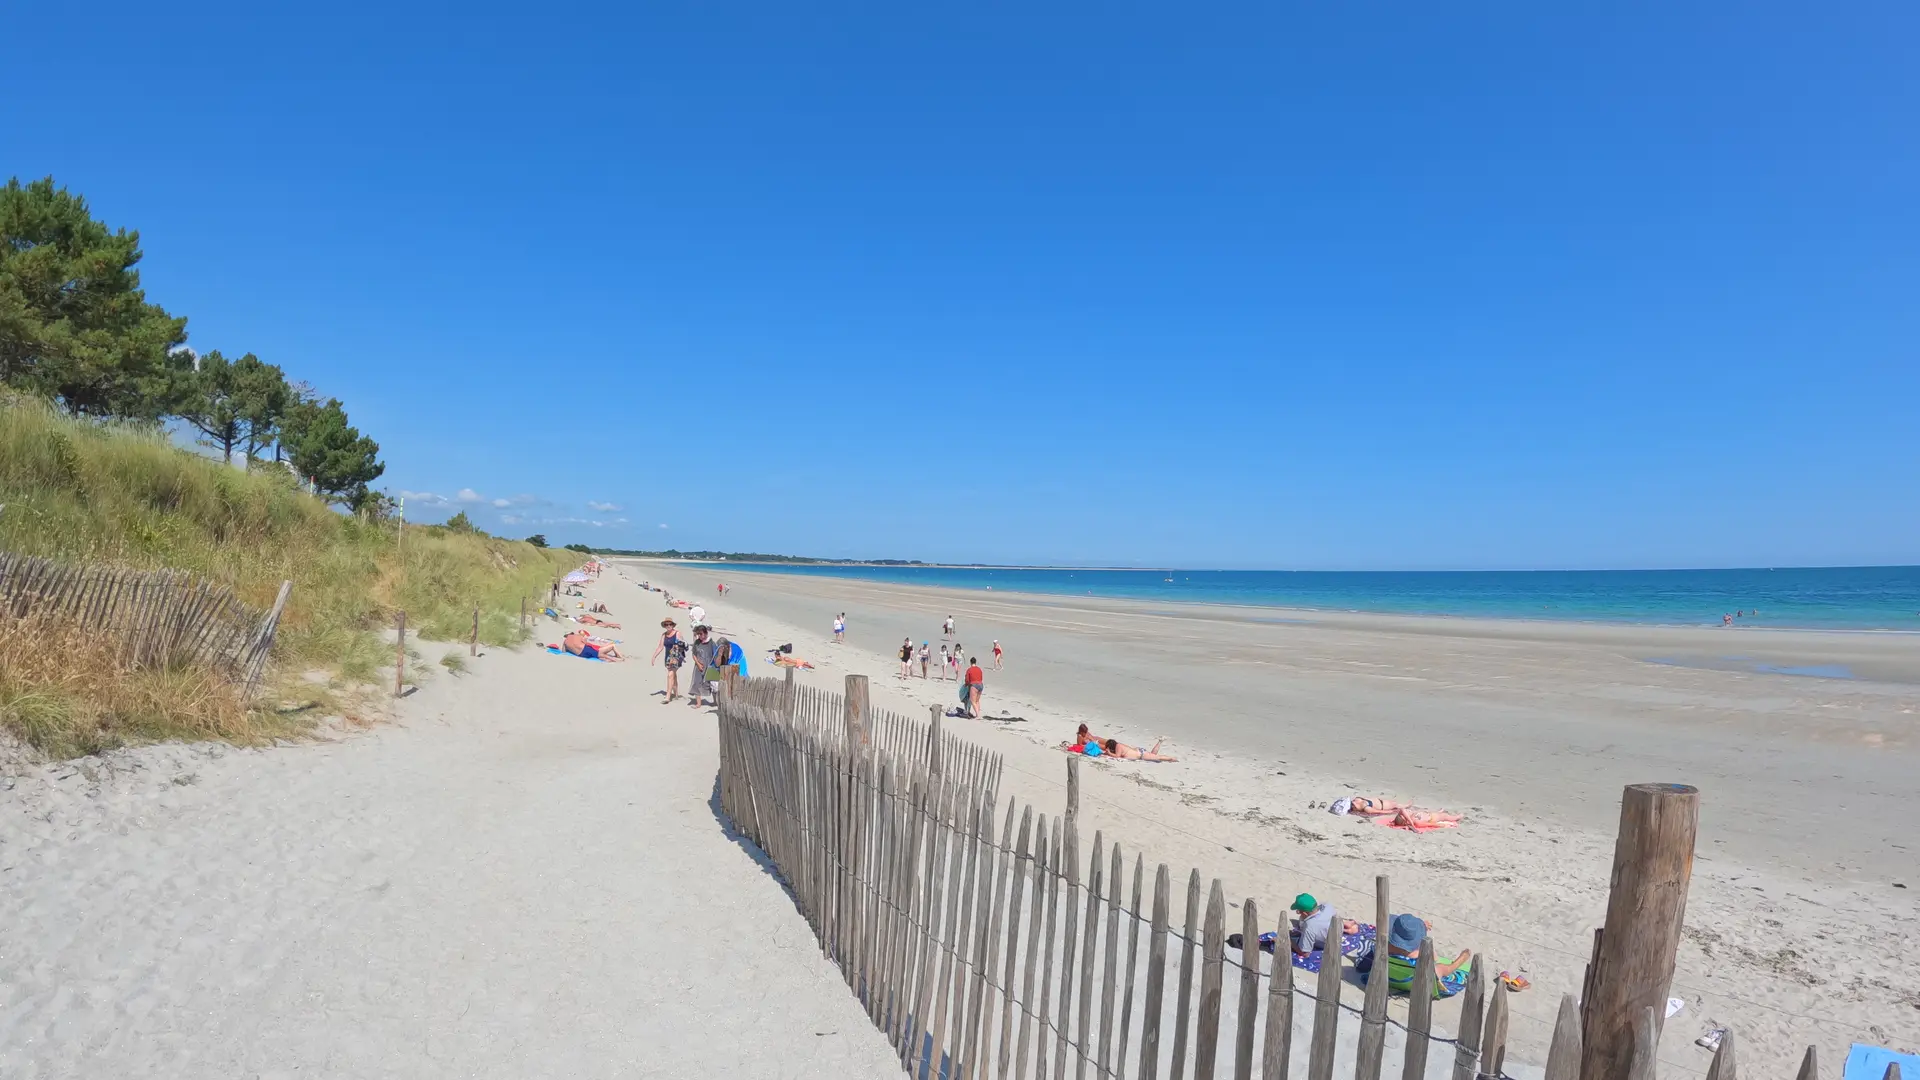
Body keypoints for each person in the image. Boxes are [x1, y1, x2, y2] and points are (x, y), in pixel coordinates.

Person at [1374, 913, 1473, 997]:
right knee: (1441, 968)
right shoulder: (1415, 955)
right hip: (1415, 981)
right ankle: (1458, 962)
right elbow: (1435, 958)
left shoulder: (1384, 947)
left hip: (1390, 976)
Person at [1289, 894, 1356, 957]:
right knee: (1326, 922)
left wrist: (1290, 942)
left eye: (1298, 911)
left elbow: (1305, 953)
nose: (1298, 913)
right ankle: (1345, 925)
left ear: (1305, 913)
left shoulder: (1309, 926)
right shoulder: (1327, 906)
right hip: (1337, 929)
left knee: (1304, 926)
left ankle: (1346, 927)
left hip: (1329, 943)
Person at [650, 618, 686, 703]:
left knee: (670, 674)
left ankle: (667, 696)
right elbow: (660, 647)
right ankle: (676, 693)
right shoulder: (664, 635)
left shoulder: (677, 633)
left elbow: (681, 645)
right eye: (666, 625)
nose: (668, 626)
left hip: (676, 656)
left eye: (670, 624)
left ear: (673, 625)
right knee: (673, 674)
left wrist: (675, 651)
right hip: (667, 657)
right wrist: (654, 656)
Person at [688, 624, 721, 707]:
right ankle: (698, 703)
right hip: (698, 667)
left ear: (706, 633)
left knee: (713, 685)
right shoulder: (697, 642)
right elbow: (694, 654)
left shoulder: (712, 643)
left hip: (710, 667)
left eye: (701, 634)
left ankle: (715, 702)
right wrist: (698, 664)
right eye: (698, 634)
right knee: (696, 683)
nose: (700, 636)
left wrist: (716, 667)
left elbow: (715, 656)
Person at [1101, 737, 1178, 762]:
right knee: (1154, 755)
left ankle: (1171, 758)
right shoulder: (1119, 745)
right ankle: (1160, 742)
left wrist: (1109, 753)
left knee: (1158, 757)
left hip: (1140, 754)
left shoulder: (1118, 747)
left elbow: (1117, 756)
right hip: (1139, 752)